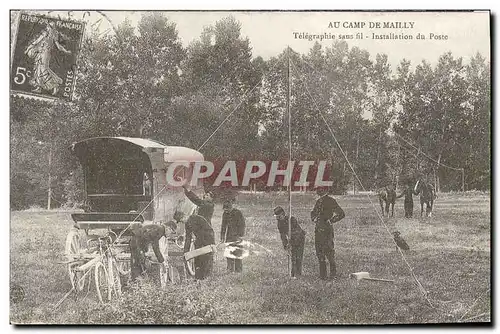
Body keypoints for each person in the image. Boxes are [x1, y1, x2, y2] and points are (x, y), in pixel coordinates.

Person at [310, 187, 345, 280]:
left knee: (329, 252)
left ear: (325, 190)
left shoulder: (331, 201)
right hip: (318, 230)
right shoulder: (318, 202)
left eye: (320, 189)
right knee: (319, 253)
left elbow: (341, 213)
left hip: (327, 230)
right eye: (317, 189)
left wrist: (332, 220)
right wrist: (314, 218)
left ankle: (333, 275)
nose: (317, 191)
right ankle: (323, 276)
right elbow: (313, 213)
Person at [273, 206, 306, 278]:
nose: (277, 218)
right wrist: (285, 245)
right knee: (292, 256)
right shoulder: (279, 223)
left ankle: (298, 274)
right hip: (291, 240)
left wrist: (290, 242)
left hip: (299, 238)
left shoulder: (291, 219)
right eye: (276, 217)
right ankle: (293, 273)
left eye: (279, 216)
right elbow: (282, 235)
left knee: (298, 256)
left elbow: (297, 232)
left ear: (283, 214)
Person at [182, 211, 216, 280]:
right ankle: (198, 277)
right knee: (197, 259)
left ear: (185, 216)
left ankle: (207, 277)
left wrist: (212, 243)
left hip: (207, 240)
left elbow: (210, 230)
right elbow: (188, 238)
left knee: (206, 259)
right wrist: (185, 252)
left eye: (181, 220)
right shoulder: (187, 224)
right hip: (198, 241)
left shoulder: (197, 218)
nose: (182, 222)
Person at [220, 200, 246, 273]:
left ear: (231, 208)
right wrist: (222, 237)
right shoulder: (225, 214)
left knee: (238, 253)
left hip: (238, 236)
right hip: (229, 236)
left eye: (227, 210)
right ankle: (230, 270)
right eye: (225, 210)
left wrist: (241, 235)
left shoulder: (238, 213)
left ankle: (238, 270)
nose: (226, 212)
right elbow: (223, 226)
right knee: (228, 253)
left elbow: (242, 225)